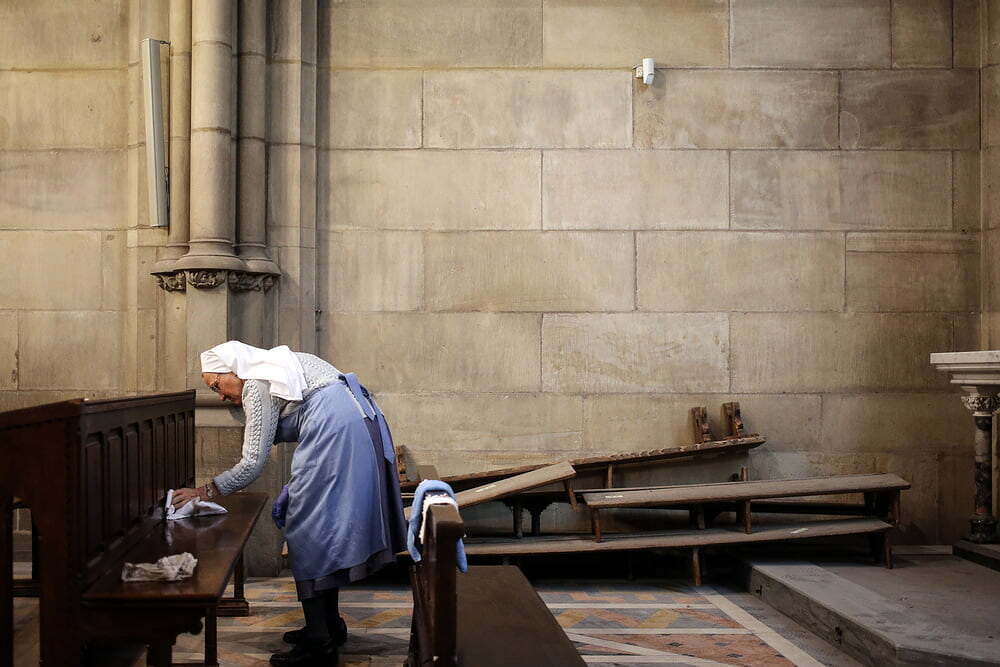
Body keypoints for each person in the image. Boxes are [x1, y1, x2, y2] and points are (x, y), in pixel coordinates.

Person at [170, 341, 406, 666]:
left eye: (217, 385)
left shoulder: (257, 382)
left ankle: (319, 644)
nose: (220, 396)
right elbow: (282, 427)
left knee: (306, 530)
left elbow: (253, 462)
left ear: (236, 370)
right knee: (321, 530)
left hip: (337, 432)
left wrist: (205, 491)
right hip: (360, 422)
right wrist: (253, 421)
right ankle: (326, 626)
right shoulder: (275, 367)